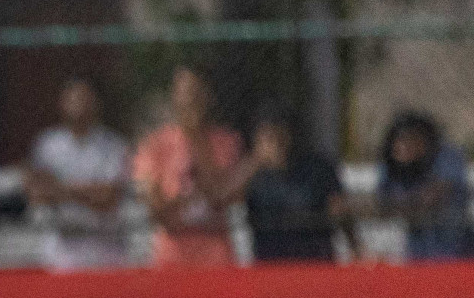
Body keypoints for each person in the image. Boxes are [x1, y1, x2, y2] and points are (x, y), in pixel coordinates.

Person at [132, 66, 245, 267]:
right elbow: (155, 209)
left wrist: (197, 141)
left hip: (217, 258)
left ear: (208, 97)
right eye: (185, 92)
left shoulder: (227, 142)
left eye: (196, 92)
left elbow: (222, 198)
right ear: (174, 97)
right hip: (171, 258)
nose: (191, 99)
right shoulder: (155, 144)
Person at [24, 78, 130, 271]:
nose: (79, 105)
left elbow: (108, 198)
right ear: (62, 103)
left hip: (105, 253)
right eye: (73, 99)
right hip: (61, 255)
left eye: (84, 98)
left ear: (96, 103)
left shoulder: (113, 145)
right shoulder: (47, 145)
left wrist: (60, 189)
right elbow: (38, 195)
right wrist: (88, 191)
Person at [243, 108, 346, 263]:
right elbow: (220, 197)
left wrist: (356, 247)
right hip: (269, 263)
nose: (276, 143)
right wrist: (255, 162)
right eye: (268, 137)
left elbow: (339, 211)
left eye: (279, 135)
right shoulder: (253, 172)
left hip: (313, 260)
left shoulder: (317, 167)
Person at [377, 112, 469, 261]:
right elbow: (383, 201)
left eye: (409, 140)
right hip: (417, 251)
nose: (402, 147)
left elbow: (437, 193)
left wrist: (406, 202)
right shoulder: (392, 166)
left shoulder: (447, 156)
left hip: (452, 247)